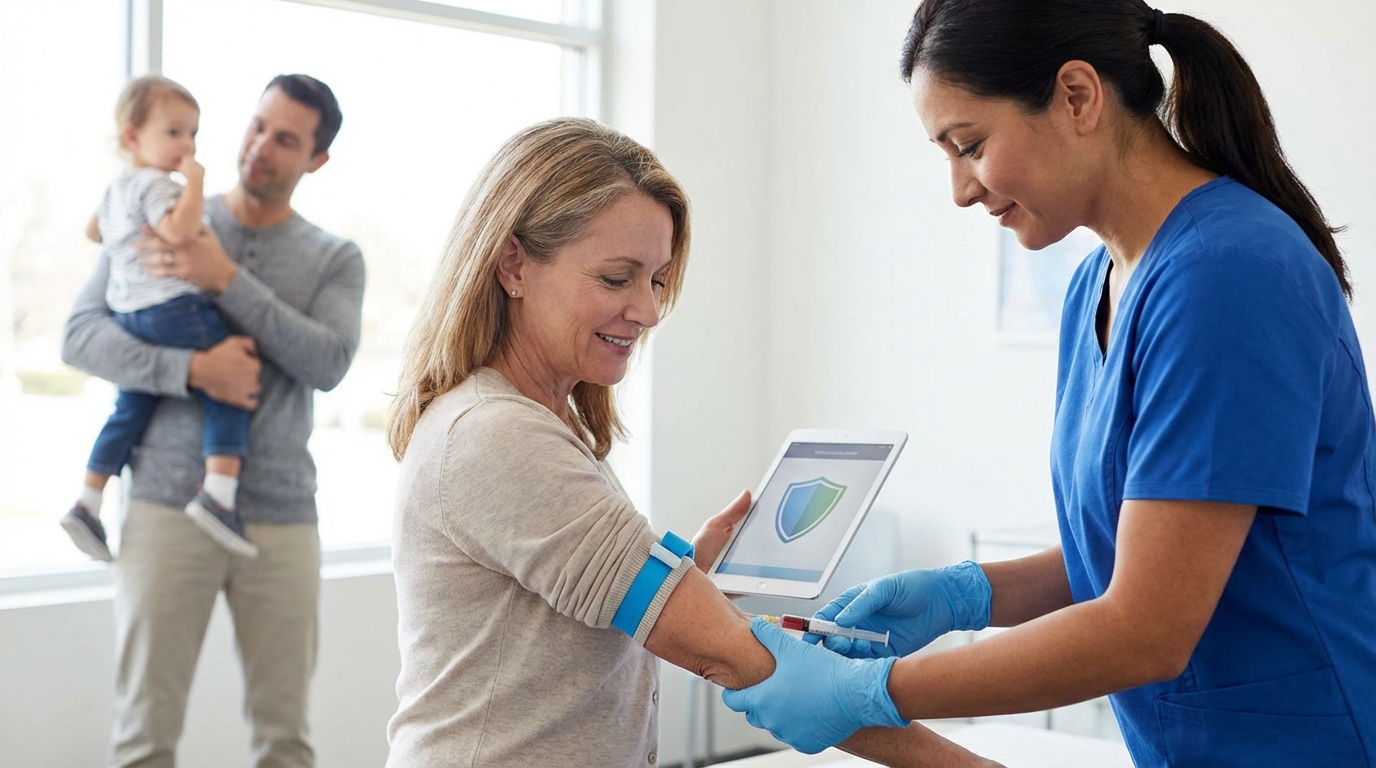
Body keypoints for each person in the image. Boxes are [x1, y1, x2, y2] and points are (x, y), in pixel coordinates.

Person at [723, 1, 1376, 766]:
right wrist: (969, 593)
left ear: (1077, 96)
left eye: (968, 146)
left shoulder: (1228, 275)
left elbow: (1146, 626)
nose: (960, 191)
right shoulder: (1096, 284)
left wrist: (878, 691)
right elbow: (1139, 549)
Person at [384, 117, 999, 768]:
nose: (649, 311)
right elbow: (729, 655)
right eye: (618, 278)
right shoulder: (497, 438)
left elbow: (580, 620)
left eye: (656, 280)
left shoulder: (530, 421)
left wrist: (690, 579)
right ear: (514, 264)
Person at [62, 73, 364, 768]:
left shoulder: (334, 258)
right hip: (166, 509)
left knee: (284, 742)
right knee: (144, 739)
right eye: (257, 125)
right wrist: (193, 371)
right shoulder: (164, 211)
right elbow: (79, 337)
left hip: (283, 520)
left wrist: (224, 277)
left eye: (285, 139)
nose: (259, 146)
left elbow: (328, 362)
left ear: (315, 160)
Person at [62, 74, 257, 563]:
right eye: (174, 133)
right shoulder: (158, 184)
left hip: (132, 315)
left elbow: (93, 232)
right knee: (231, 382)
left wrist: (124, 241)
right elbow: (178, 231)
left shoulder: (117, 188)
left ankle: (88, 499)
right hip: (176, 308)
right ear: (133, 136)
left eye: (192, 134)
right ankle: (219, 493)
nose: (187, 146)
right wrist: (195, 184)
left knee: (129, 409)